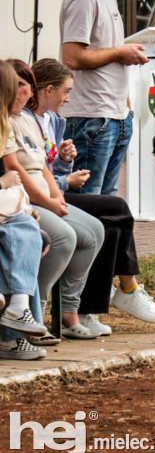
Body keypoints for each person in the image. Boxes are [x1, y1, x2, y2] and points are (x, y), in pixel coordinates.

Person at [31, 59, 155, 334]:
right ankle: (125, 289)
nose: (68, 99)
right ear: (47, 90)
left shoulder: (55, 120)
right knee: (114, 208)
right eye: (66, 91)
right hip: (41, 197)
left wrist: (66, 162)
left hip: (53, 192)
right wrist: (65, 179)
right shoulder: (28, 121)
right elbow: (32, 175)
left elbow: (48, 166)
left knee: (112, 225)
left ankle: (86, 309)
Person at [3, 60, 105, 341]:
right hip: (26, 200)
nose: (26, 92)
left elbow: (44, 168)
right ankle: (36, 313)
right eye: (21, 85)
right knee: (63, 237)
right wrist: (48, 203)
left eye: (28, 85)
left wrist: (58, 198)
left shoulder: (27, 120)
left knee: (95, 230)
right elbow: (16, 171)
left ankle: (70, 311)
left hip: (43, 196)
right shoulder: (7, 121)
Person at [60, 0, 149, 195]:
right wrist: (121, 52)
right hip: (91, 118)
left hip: (115, 116)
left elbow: (103, 50)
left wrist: (125, 104)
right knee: (87, 204)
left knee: (107, 204)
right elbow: (72, 57)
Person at [0, 60, 48, 361]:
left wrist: (23, 204)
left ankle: (16, 318)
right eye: (15, 86)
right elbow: (10, 176)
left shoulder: (5, 124)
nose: (22, 92)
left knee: (31, 231)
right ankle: (14, 326)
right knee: (23, 233)